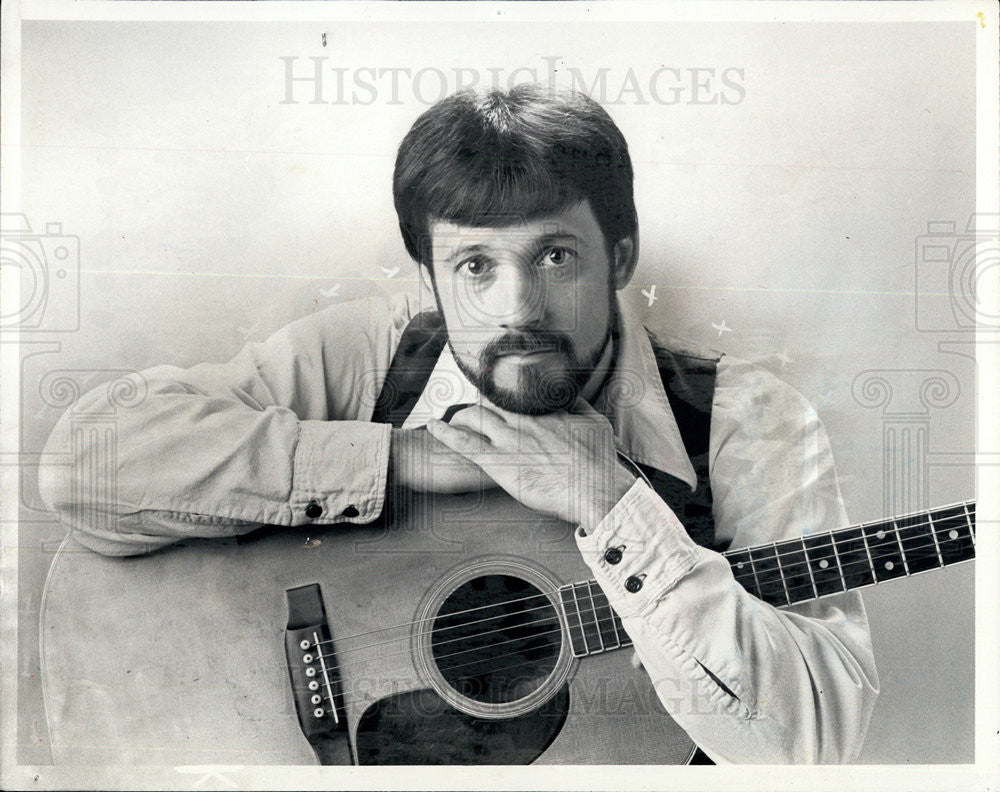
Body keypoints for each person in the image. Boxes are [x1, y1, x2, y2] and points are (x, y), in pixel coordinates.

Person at [39, 83, 878, 764]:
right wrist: (397, 459)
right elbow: (84, 466)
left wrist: (613, 502)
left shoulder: (745, 420)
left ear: (620, 256)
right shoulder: (373, 354)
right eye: (476, 265)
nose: (518, 308)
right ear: (431, 278)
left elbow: (811, 751)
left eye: (556, 256)